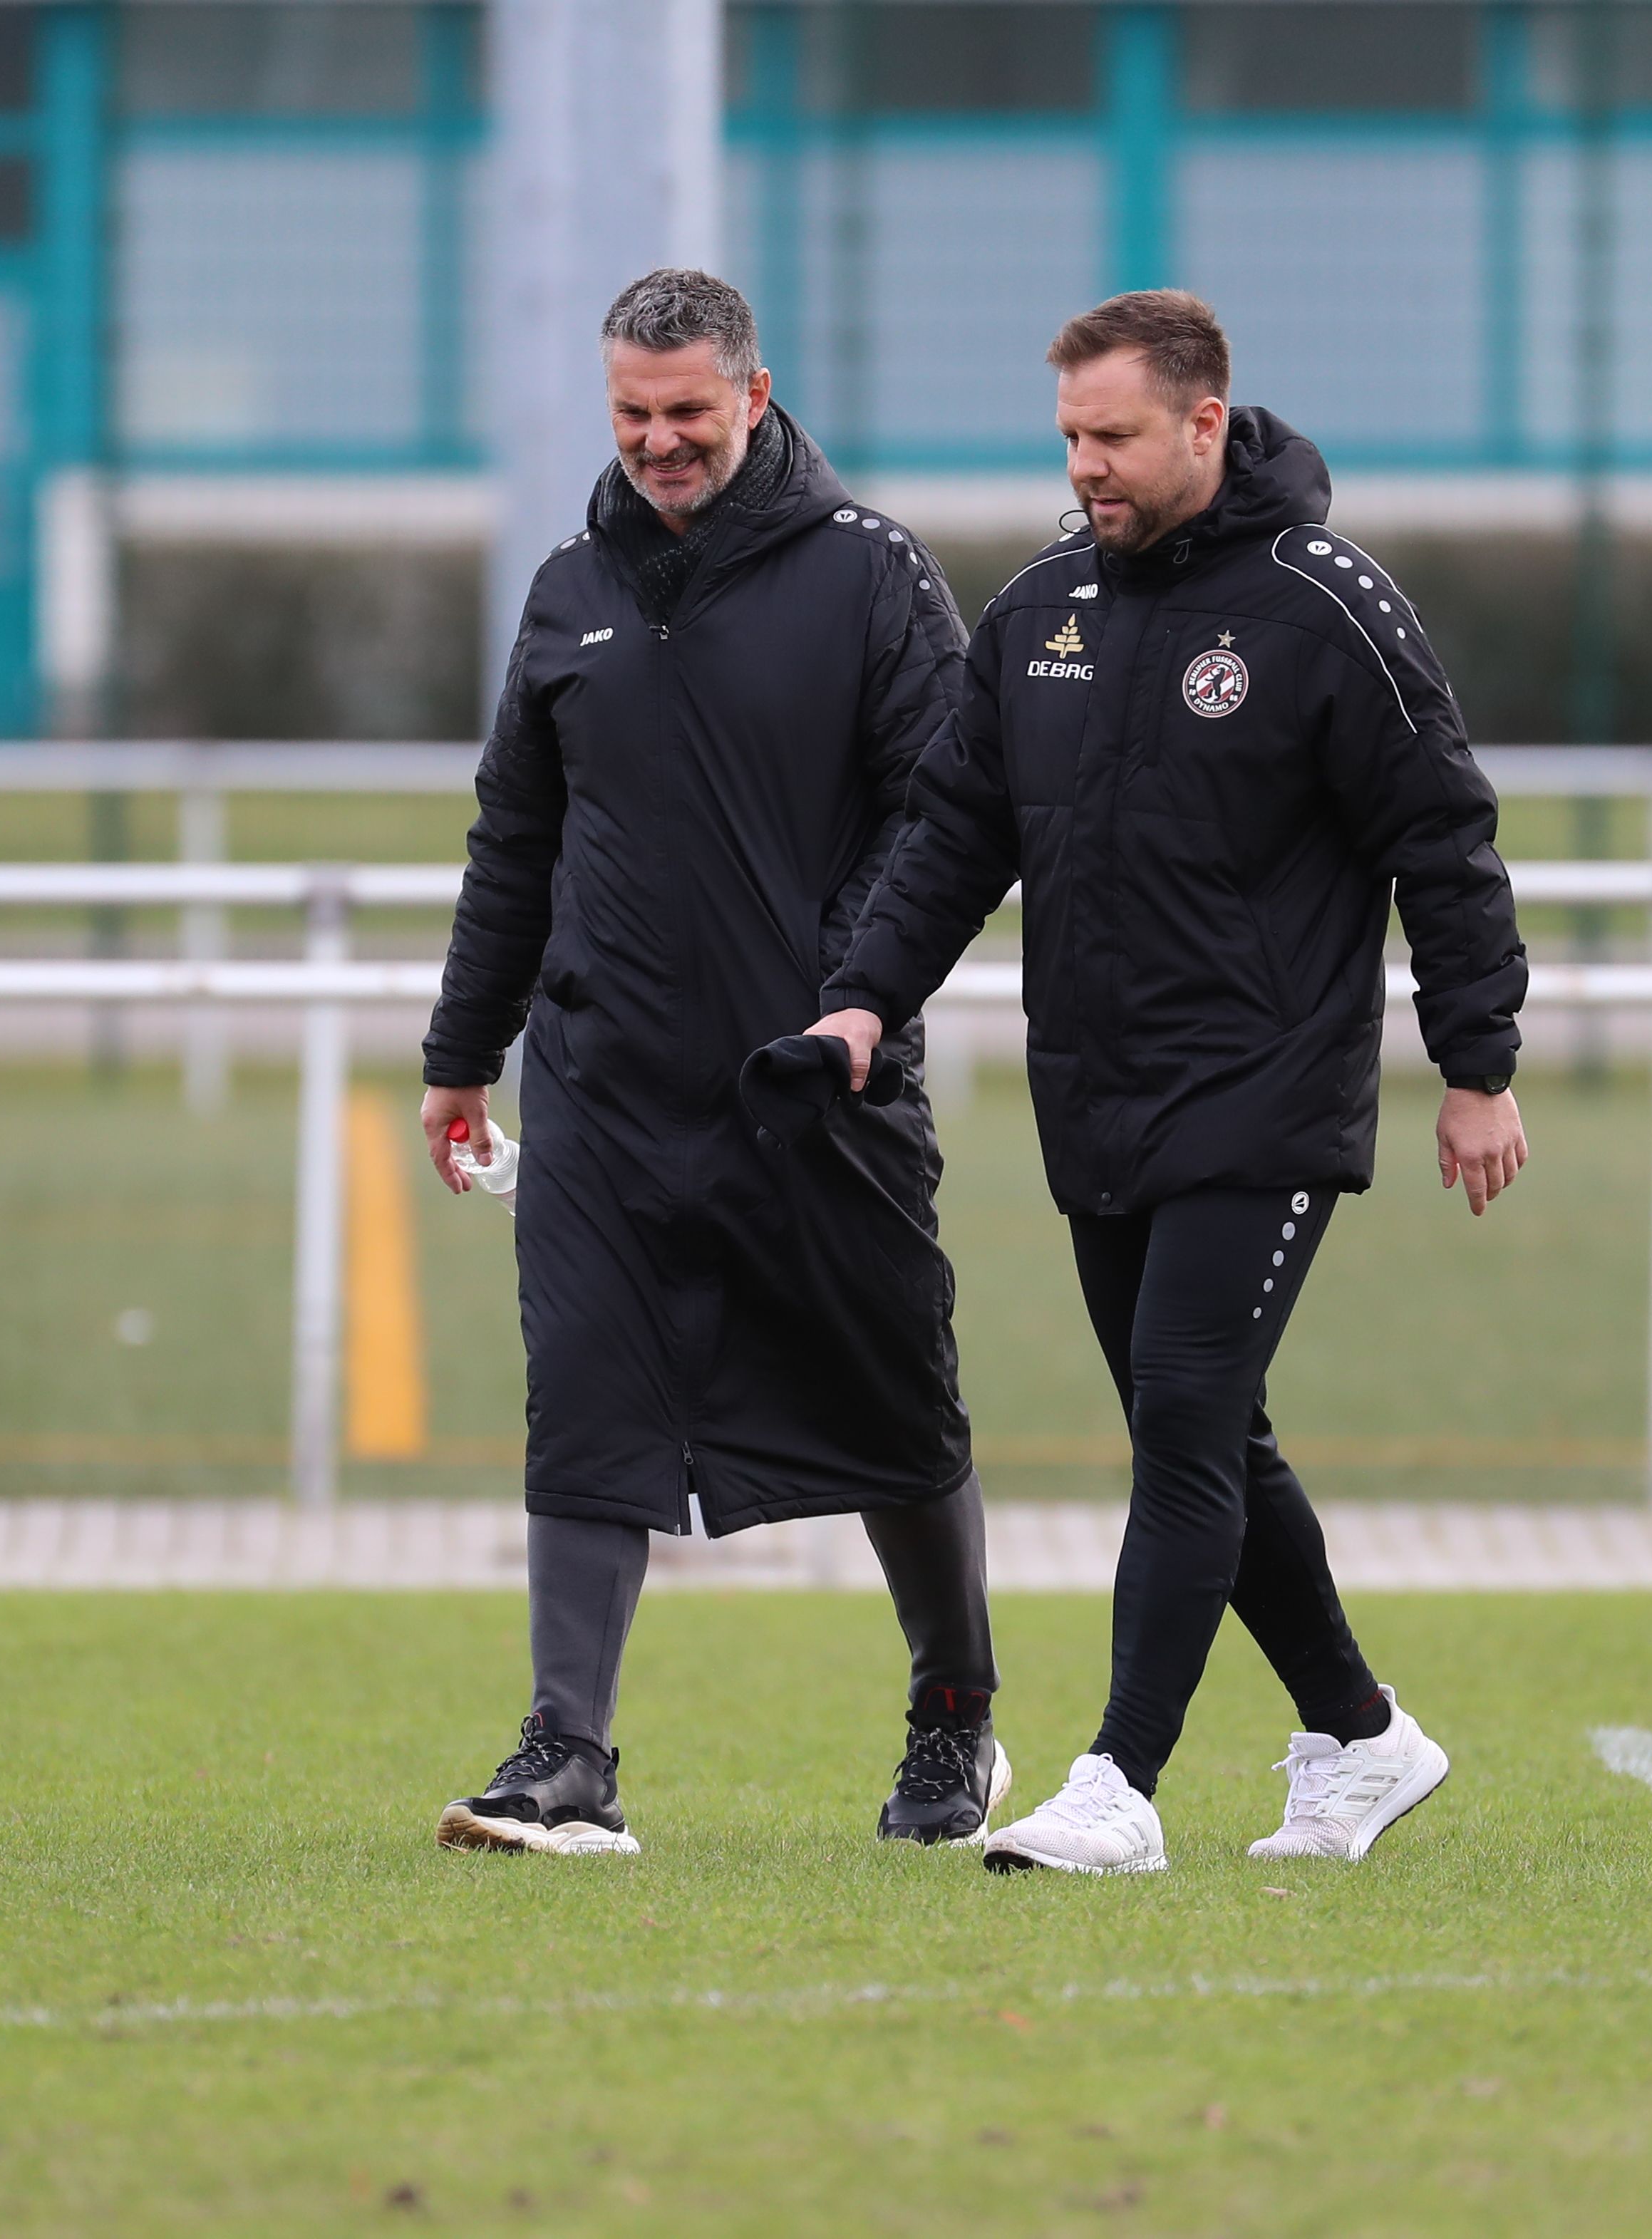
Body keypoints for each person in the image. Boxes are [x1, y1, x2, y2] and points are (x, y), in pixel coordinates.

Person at [807, 291, 1529, 1875]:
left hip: (1266, 1096)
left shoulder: (1325, 607)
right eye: (1071, 437)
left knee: (1186, 1424)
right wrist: (861, 1004)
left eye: (1116, 435)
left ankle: (1118, 1782)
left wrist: (1477, 1065)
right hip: (1101, 1100)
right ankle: (1361, 1732)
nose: (1088, 468)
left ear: (1207, 422)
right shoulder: (1043, 608)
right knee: (1208, 1431)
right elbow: (949, 837)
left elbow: (1445, 842)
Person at [421, 269, 1008, 1858]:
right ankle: (568, 1752)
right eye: (634, 413)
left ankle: (956, 1714)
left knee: (895, 1402)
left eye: (690, 411)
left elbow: (948, 823)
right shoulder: (566, 590)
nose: (662, 441)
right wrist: (463, 1051)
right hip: (601, 1085)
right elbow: (515, 840)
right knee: (588, 1399)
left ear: (755, 396)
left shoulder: (876, 576)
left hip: (817, 1076)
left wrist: (857, 1005)